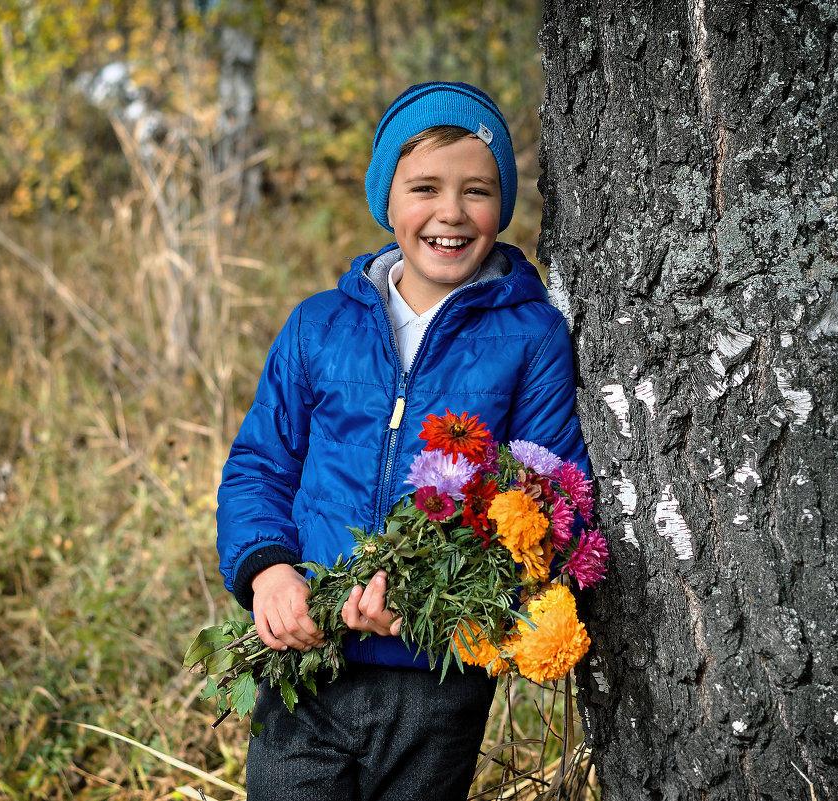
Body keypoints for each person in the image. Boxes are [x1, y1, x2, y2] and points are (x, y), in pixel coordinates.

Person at [215, 81, 589, 801]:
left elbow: (548, 497)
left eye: (477, 191)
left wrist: (430, 602)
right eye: (424, 187)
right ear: (386, 201)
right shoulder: (319, 326)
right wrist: (268, 572)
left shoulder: (530, 334)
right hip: (308, 663)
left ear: (502, 206)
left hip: (438, 675)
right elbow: (259, 465)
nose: (451, 212)